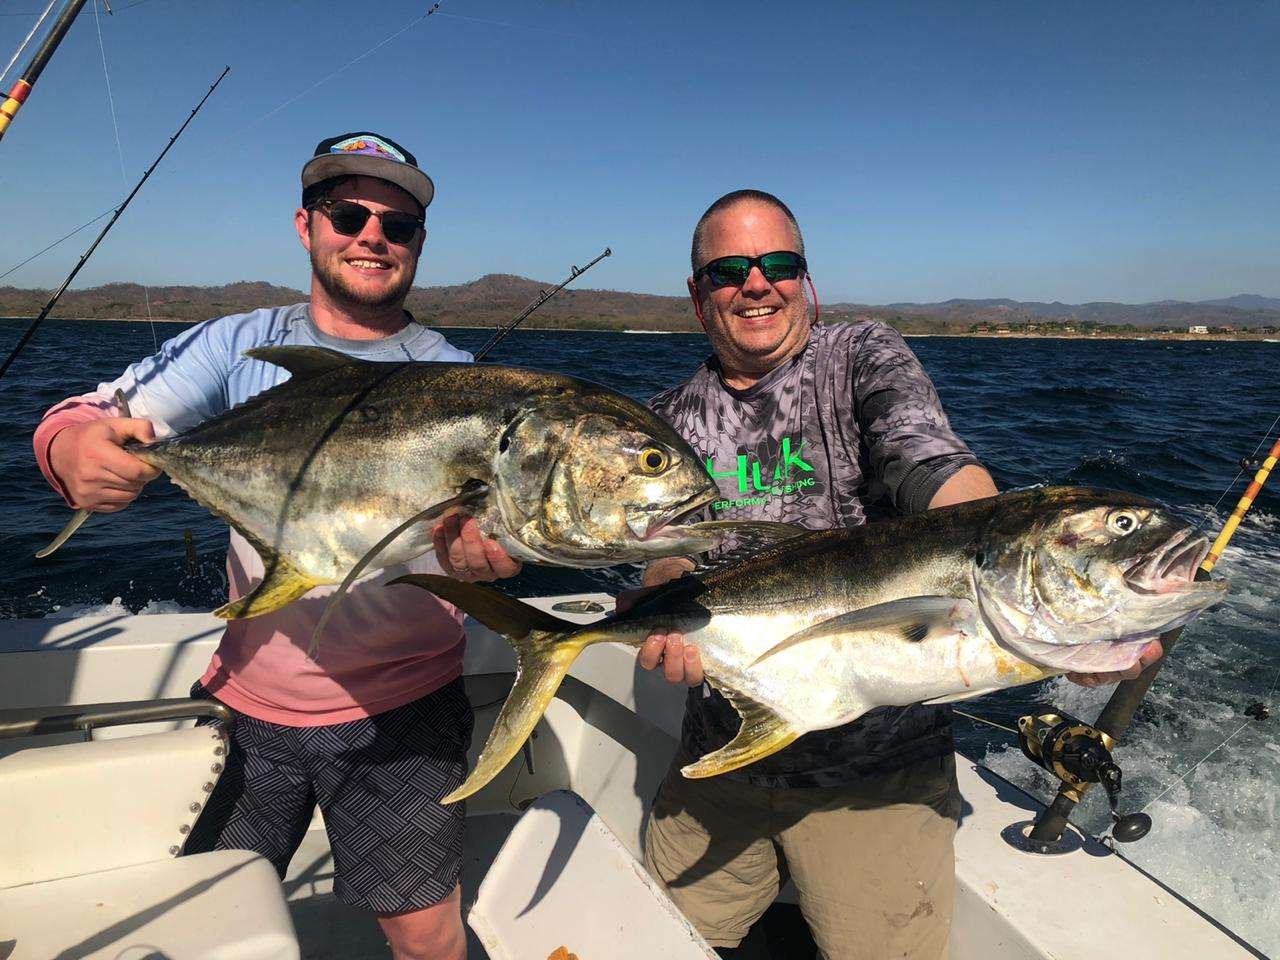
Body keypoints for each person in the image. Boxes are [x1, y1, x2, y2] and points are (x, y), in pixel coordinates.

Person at [629, 189, 1164, 959]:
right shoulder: (667, 421)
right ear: (696, 292)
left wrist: (1031, 596)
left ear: (805, 278)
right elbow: (668, 550)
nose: (756, 283)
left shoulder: (859, 356)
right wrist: (659, 591)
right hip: (721, 758)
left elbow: (932, 464)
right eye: (729, 270)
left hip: (877, 776)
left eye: (779, 263)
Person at [32, 132, 520, 960]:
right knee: (210, 920)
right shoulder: (233, 345)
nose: (372, 235)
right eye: (349, 213)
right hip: (252, 703)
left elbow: (487, 540)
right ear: (307, 225)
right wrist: (70, 452)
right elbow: (86, 416)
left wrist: (495, 563)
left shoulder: (456, 381)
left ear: (418, 245)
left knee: (429, 940)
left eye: (396, 225)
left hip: (401, 712)